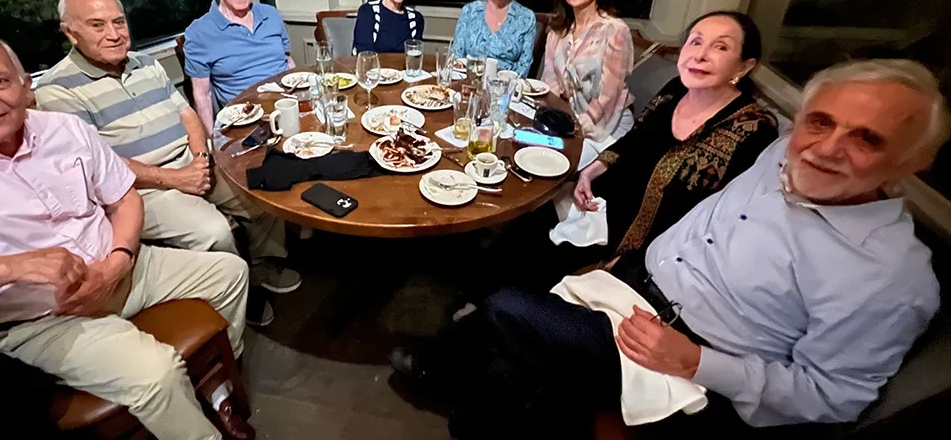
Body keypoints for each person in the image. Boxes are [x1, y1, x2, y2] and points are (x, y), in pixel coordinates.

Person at [394, 58, 947, 438]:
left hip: (688, 370)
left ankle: (436, 365)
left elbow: (835, 398)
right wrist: (628, 260)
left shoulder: (892, 277)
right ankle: (473, 411)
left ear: (911, 162)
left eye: (867, 138)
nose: (828, 148)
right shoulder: (779, 153)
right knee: (504, 378)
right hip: (629, 287)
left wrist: (696, 361)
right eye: (821, 122)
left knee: (507, 306)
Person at [0, 29, 254, 440]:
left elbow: (125, 197)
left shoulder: (63, 130)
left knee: (230, 272)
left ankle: (216, 392)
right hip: (40, 318)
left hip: (121, 268)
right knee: (156, 374)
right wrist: (9, 267)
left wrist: (118, 261)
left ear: (24, 86)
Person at [457, 11, 779, 305]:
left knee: (538, 258)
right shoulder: (676, 90)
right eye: (695, 41)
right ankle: (476, 298)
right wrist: (590, 172)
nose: (701, 54)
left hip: (634, 244)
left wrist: (632, 263)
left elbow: (716, 221)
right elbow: (634, 139)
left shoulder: (753, 129)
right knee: (524, 223)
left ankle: (500, 313)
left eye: (720, 47)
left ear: (744, 65)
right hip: (598, 202)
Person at [36, 0, 300, 327]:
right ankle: (239, 288)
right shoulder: (55, 90)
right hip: (138, 187)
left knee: (260, 188)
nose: (114, 34)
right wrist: (176, 178)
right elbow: (95, 165)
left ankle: (264, 262)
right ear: (70, 33)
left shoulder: (146, 63)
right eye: (97, 25)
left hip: (192, 161)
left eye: (118, 22)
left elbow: (188, 114)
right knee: (212, 230)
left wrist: (201, 159)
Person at [184, 0, 295, 135]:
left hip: (288, 106)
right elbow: (202, 95)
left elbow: (287, 61)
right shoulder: (199, 33)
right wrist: (213, 140)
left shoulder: (271, 14)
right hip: (247, 121)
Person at [542, 0, 635, 168]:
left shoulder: (615, 31)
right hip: (571, 121)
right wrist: (546, 118)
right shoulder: (557, 33)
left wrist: (574, 128)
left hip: (606, 125)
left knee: (555, 169)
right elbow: (550, 85)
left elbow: (608, 96)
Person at [451, 0, 537, 77]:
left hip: (507, 91)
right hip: (468, 85)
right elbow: (456, 56)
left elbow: (524, 67)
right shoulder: (469, 11)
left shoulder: (527, 18)